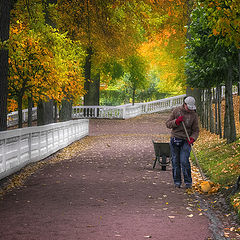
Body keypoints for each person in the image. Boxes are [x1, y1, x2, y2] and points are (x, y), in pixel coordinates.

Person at [165, 96, 199, 189]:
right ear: (184, 104)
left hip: (186, 140)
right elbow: (168, 124)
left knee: (184, 161)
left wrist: (192, 138)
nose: (190, 110)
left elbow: (196, 130)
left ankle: (188, 182)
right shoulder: (176, 111)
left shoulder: (194, 115)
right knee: (175, 161)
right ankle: (177, 182)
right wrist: (176, 121)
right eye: (188, 108)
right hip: (175, 138)